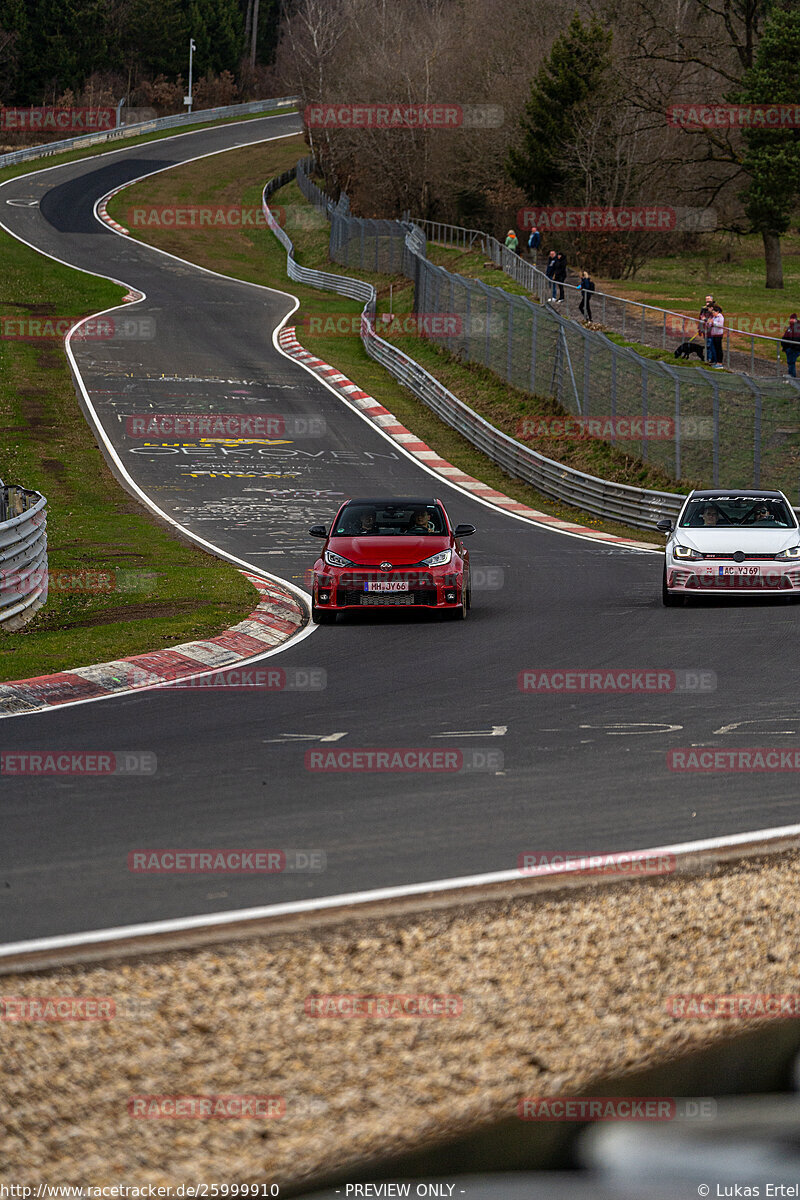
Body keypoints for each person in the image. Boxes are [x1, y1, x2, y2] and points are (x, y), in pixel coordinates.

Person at [782, 313, 800, 378]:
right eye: (791, 319)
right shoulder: (791, 327)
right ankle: (791, 375)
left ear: (795, 319)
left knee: (791, 362)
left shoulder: (797, 327)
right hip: (790, 348)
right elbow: (785, 337)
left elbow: (796, 339)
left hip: (795, 349)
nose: (791, 320)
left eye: (793, 319)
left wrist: (790, 348)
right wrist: (785, 347)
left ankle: (792, 376)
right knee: (790, 362)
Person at [698, 295, 714, 362]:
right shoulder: (703, 309)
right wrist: (699, 328)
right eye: (706, 301)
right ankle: (707, 358)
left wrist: (706, 319)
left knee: (710, 345)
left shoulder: (714, 309)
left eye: (709, 301)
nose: (707, 303)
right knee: (707, 344)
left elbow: (713, 319)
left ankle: (710, 359)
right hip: (705, 330)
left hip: (712, 331)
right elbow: (700, 318)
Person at [710, 304, 724, 368]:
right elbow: (711, 324)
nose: (713, 313)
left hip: (718, 335)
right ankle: (716, 362)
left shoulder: (720, 317)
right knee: (715, 348)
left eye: (713, 312)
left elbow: (720, 325)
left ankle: (720, 363)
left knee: (719, 349)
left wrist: (713, 323)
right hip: (714, 334)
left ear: (717, 312)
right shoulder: (714, 317)